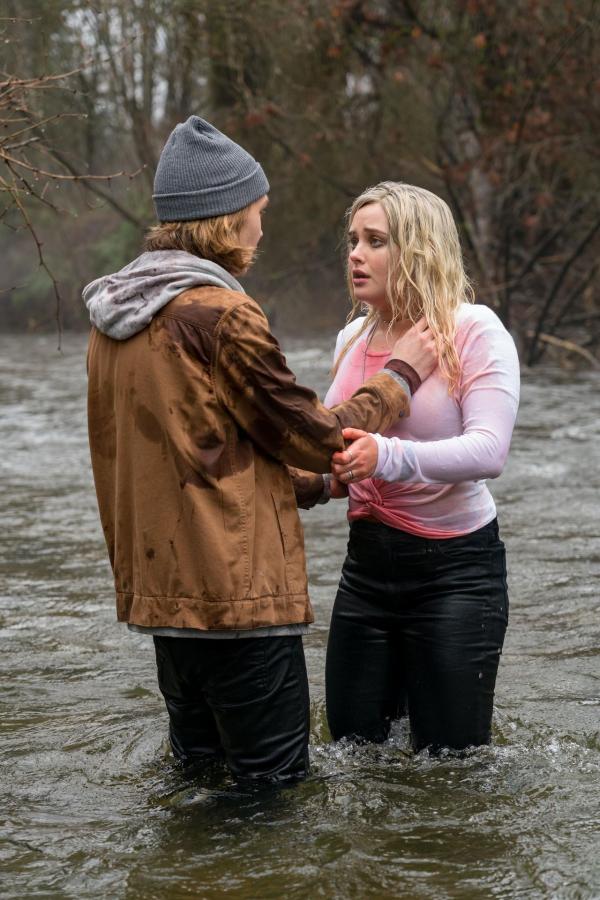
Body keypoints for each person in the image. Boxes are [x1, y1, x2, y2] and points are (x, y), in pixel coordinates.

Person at [83, 118, 437, 783]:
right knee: (274, 802)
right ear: (225, 217)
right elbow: (315, 435)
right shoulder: (221, 314)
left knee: (200, 790)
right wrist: (399, 378)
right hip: (239, 606)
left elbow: (208, 460)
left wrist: (316, 486)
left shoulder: (115, 321)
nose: (262, 229)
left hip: (166, 609)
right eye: (257, 211)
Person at [324, 181, 520, 753]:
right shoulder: (351, 337)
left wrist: (384, 457)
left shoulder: (473, 330)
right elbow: (336, 440)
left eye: (376, 241)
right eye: (354, 240)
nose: (356, 254)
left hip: (456, 574)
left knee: (451, 769)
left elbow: (489, 451)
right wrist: (331, 474)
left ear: (418, 250)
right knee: (352, 757)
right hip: (365, 569)